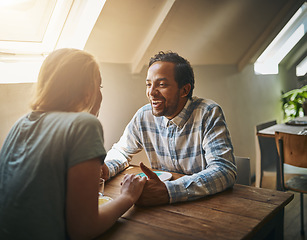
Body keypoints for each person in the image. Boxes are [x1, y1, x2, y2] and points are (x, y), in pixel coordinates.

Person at [0, 48, 146, 240]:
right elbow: (84, 229)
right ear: (87, 93)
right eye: (99, 87)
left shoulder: (21, 123)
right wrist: (128, 197)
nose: (100, 96)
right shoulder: (83, 124)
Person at [101, 51, 237, 206]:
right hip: (161, 209)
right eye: (149, 84)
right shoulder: (144, 115)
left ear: (184, 90)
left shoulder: (208, 113)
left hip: (207, 207)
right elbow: (121, 151)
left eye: (161, 85)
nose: (151, 93)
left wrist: (168, 191)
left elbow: (224, 170)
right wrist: (107, 168)